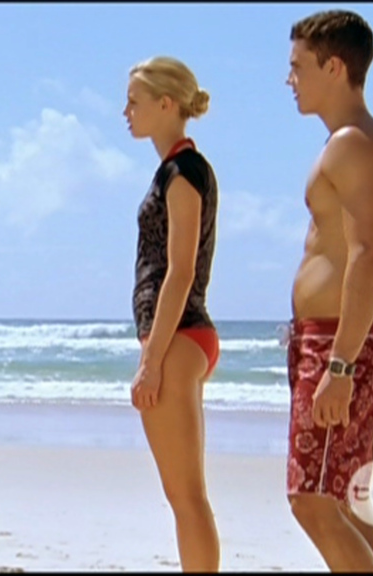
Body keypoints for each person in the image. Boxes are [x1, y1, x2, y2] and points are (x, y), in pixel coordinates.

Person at [283, 9, 373, 573]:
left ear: (333, 67)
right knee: (347, 498)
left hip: (339, 343)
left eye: (298, 66)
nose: (289, 79)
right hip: (336, 340)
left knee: (312, 499)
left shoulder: (353, 144)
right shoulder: (361, 140)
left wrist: (340, 365)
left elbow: (370, 255)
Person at [125, 56, 221, 572]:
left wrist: (151, 361)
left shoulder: (184, 171)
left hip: (179, 335)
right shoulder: (174, 169)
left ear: (166, 104)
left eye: (134, 102)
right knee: (183, 496)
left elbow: (180, 272)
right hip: (178, 336)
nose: (126, 111)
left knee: (186, 497)